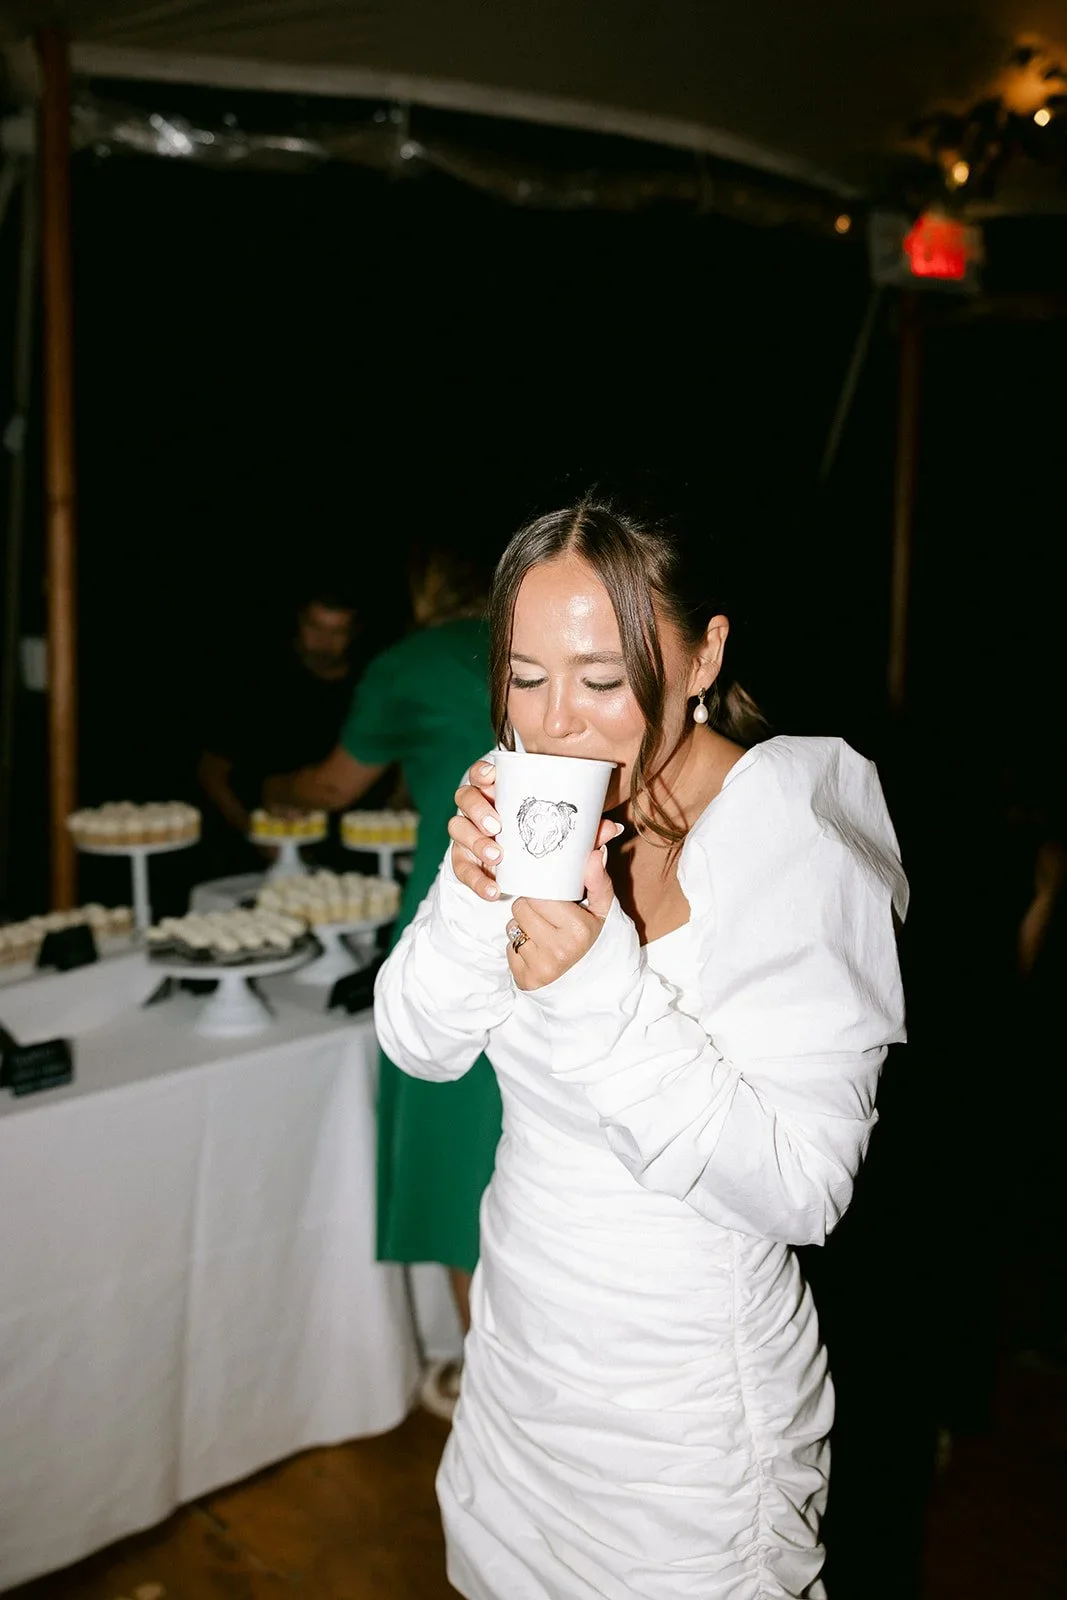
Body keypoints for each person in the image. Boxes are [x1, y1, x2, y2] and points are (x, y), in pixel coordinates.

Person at [374, 487, 907, 1600]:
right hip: (521, 1358)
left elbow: (803, 1189)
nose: (553, 722)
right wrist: (472, 905)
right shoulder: (520, 790)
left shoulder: (788, 834)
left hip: (680, 1415)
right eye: (524, 676)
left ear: (705, 654)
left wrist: (591, 984)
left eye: (603, 679)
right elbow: (418, 1043)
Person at [262, 548, 503, 1415]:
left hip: (457, 922)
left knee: (453, 1149)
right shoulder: (550, 644)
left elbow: (329, 785)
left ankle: (487, 1382)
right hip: (570, 916)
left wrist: (262, 785)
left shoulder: (409, 665)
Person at [197, 583, 368, 859]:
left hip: (350, 854)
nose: (323, 641)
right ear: (300, 622)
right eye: (315, 627)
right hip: (255, 852)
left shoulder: (368, 687)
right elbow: (211, 771)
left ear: (354, 633)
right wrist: (251, 830)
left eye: (336, 632)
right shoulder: (259, 679)